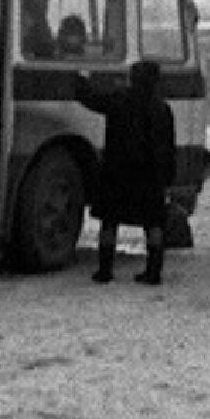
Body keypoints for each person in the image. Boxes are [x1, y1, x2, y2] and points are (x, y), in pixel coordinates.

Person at [75, 60, 177, 285]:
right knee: (153, 224)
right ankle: (153, 271)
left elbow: (90, 99)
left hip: (117, 172)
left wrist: (79, 79)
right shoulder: (162, 108)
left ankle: (104, 270)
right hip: (151, 176)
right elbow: (168, 147)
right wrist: (168, 178)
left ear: (132, 78)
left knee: (110, 221)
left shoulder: (120, 99)